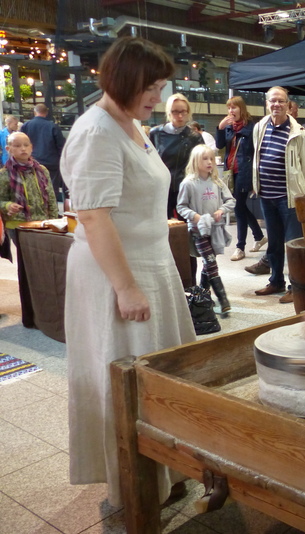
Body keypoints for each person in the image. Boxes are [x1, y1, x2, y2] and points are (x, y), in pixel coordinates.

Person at [59, 36, 195, 507]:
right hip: (117, 273)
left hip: (148, 263)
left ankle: (164, 470)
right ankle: (134, 482)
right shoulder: (97, 130)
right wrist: (126, 287)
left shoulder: (131, 125)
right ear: (125, 81)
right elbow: (93, 216)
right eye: (152, 87)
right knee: (129, 379)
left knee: (157, 375)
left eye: (160, 87)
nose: (158, 98)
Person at [248, 86, 305, 304]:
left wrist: (295, 185)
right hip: (267, 196)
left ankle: (296, 287)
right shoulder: (260, 127)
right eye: (272, 101)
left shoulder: (299, 132)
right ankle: (276, 281)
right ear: (267, 103)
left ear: (288, 105)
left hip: (290, 199)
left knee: (293, 245)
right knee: (274, 243)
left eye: (281, 101)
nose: (276, 105)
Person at [0, 131, 59, 327]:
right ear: (9, 149)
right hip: (19, 227)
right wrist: (8, 206)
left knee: (44, 267)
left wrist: (54, 221)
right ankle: (31, 311)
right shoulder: (4, 174)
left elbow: (50, 197)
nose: (23, 149)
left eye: (26, 144)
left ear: (32, 147)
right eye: (17, 145)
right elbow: (1, 200)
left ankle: (47, 308)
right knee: (28, 268)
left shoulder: (41, 170)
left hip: (42, 224)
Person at [177, 145, 236, 316]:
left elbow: (230, 201)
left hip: (215, 230)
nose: (210, 162)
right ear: (195, 161)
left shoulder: (217, 182)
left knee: (208, 263)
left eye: (211, 158)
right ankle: (223, 299)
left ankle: (203, 293)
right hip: (198, 231)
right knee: (210, 262)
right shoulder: (188, 184)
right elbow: (181, 206)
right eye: (205, 159)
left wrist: (221, 210)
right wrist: (196, 217)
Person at [217, 96, 267, 262]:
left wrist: (256, 177)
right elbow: (219, 146)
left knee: (238, 207)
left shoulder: (251, 127)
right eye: (229, 108)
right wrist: (220, 128)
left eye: (234, 107)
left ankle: (240, 247)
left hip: (245, 172)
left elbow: (256, 152)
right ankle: (259, 236)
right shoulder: (228, 128)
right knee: (240, 207)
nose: (231, 111)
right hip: (231, 173)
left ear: (241, 109)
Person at [149, 93, 204, 220]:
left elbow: (201, 166)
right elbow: (148, 161)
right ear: (168, 112)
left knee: (188, 229)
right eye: (175, 112)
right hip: (161, 188)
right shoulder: (156, 133)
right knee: (161, 225)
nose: (179, 116)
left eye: (183, 112)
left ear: (188, 112)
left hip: (186, 188)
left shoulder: (194, 137)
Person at [20, 104, 66, 200]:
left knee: (33, 188)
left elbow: (21, 143)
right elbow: (61, 146)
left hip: (32, 161)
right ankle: (53, 211)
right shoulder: (53, 126)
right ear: (46, 113)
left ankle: (37, 211)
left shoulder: (26, 126)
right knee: (52, 189)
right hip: (51, 162)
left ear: (34, 112)